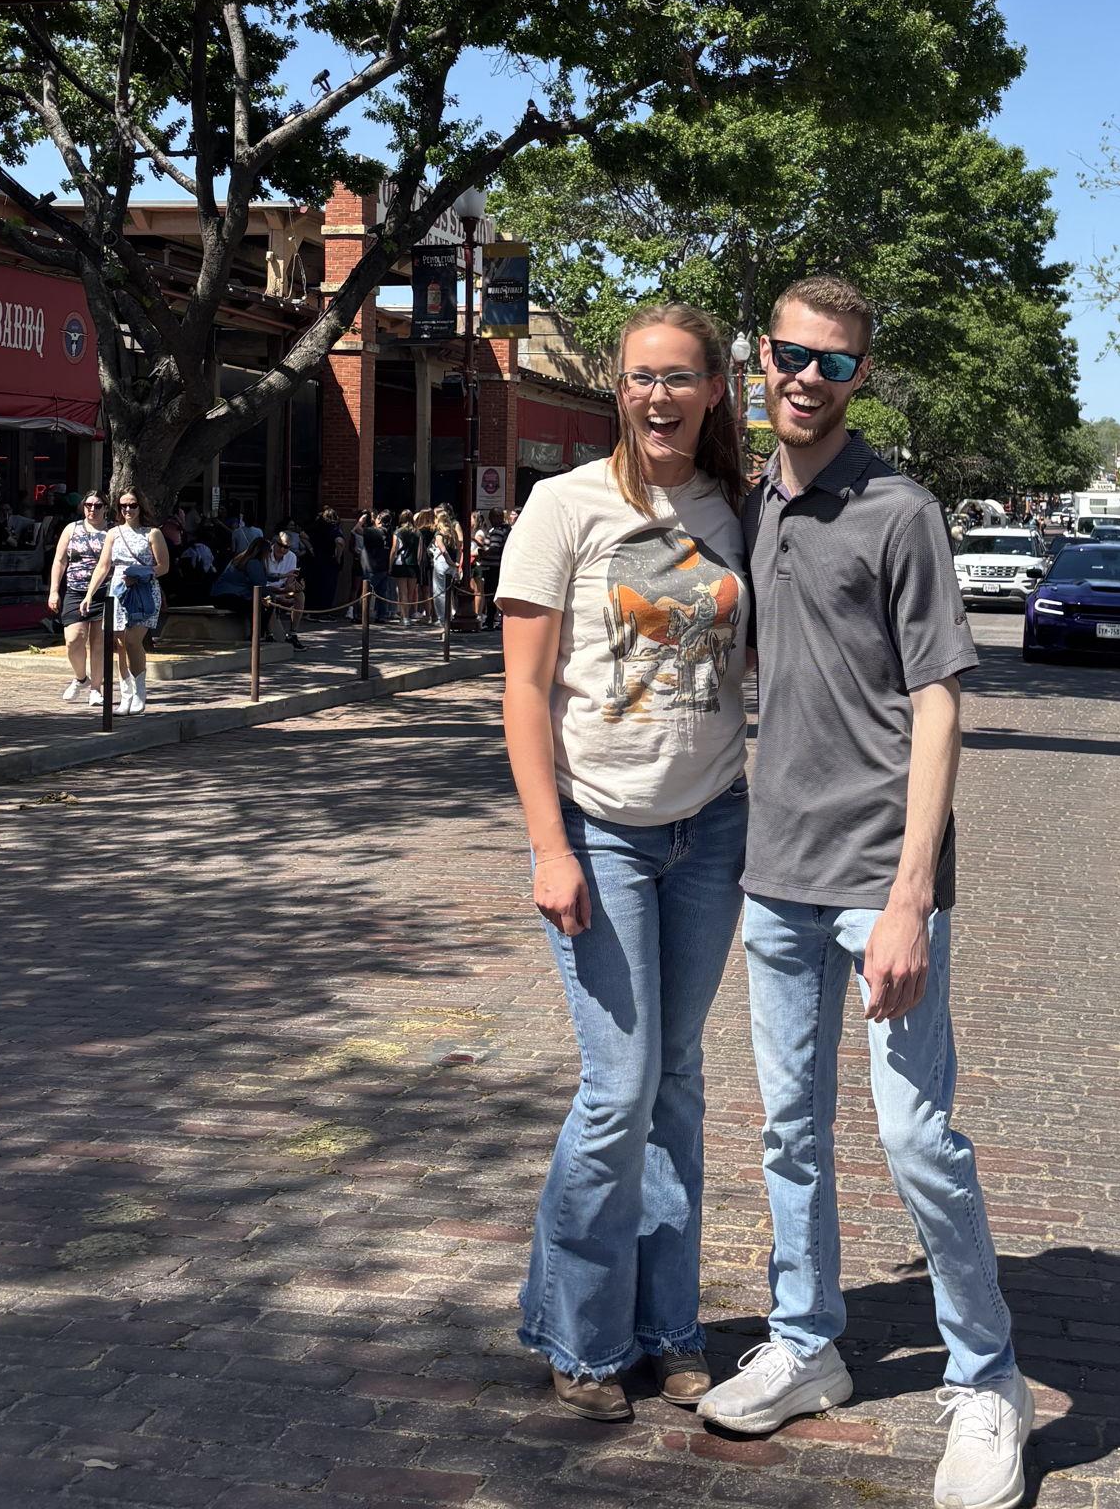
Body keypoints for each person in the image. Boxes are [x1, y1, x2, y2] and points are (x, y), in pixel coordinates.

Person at [698, 276, 1031, 1509]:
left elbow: (939, 701)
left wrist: (908, 894)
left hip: (876, 877)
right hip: (772, 871)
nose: (802, 375)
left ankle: (987, 1375)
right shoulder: (748, 510)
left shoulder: (899, 512)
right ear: (762, 358)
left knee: (913, 1133)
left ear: (858, 378)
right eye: (787, 353)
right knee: (788, 1125)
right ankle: (807, 1338)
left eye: (829, 362)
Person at [496, 303, 750, 1422]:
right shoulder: (562, 505)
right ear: (616, 386)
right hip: (600, 827)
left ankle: (669, 1322)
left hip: (711, 824)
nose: (659, 396)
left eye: (681, 378)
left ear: (711, 390)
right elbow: (519, 688)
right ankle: (579, 1330)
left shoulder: (735, 508)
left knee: (678, 1081)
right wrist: (549, 845)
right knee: (617, 1088)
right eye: (641, 377)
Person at [81, 490, 169, 714]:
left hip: (143, 592)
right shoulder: (113, 533)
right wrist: (90, 594)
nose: (127, 510)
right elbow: (103, 566)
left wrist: (141, 574)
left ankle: (140, 693)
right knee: (120, 646)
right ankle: (126, 696)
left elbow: (163, 566)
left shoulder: (152, 533)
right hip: (118, 592)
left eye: (132, 505)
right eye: (123, 506)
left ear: (141, 507)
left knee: (132, 641)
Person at [47, 492, 110, 706]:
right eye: (88, 505)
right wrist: (54, 590)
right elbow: (59, 560)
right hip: (75, 590)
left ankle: (96, 689)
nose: (93, 509)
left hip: (104, 593)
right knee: (74, 639)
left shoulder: (112, 531)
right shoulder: (72, 529)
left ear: (105, 508)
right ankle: (81, 678)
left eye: (98, 505)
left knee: (99, 642)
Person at [211, 538, 271, 632]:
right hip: (229, 596)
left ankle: (259, 634)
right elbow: (260, 584)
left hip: (218, 596)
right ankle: (258, 635)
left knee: (259, 603)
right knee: (263, 606)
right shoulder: (253, 562)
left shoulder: (239, 559)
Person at [264, 529, 305, 646]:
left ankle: (293, 633)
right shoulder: (266, 554)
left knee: (300, 595)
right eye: (280, 545)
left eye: (286, 547)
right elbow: (264, 580)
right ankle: (270, 633)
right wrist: (280, 594)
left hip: (282, 588)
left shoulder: (292, 557)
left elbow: (290, 580)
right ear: (274, 543)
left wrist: (293, 588)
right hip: (266, 588)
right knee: (270, 597)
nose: (282, 549)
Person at [474, 510, 510, 632]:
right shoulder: (504, 530)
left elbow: (494, 548)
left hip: (493, 566)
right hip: (496, 565)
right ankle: (497, 620)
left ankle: (490, 621)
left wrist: (483, 553)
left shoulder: (498, 531)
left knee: (491, 594)